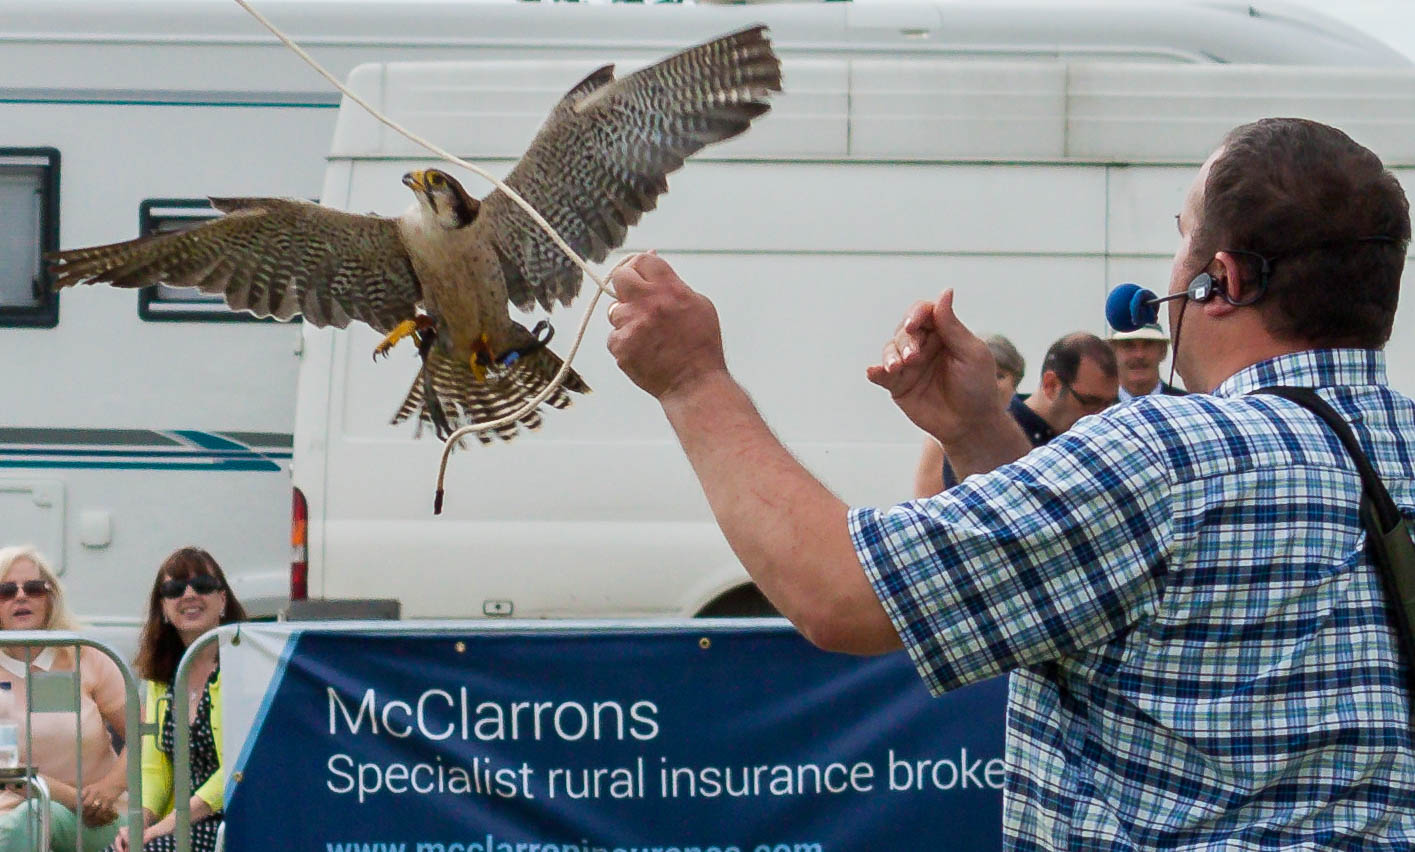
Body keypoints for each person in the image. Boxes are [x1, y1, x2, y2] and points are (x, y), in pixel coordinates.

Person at [606, 118, 1415, 847]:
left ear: (1222, 282)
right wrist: (977, 432)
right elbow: (1107, 582)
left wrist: (691, 380)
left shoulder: (1164, 456)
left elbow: (838, 590)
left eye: (1181, 240)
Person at [110, 548, 246, 852]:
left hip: (232, 819)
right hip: (176, 824)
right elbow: (155, 767)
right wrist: (139, 823)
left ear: (223, 600)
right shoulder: (162, 677)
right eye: (174, 589)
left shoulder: (243, 667)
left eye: (203, 585)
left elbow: (239, 766)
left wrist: (162, 828)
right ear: (163, 608)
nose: (189, 595)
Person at [0, 545, 128, 852]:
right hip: (16, 818)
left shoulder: (88, 656)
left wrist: (108, 790)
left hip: (98, 819)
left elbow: (144, 736)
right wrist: (77, 799)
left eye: (33, 588)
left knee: (34, 818)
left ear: (50, 597)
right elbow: (7, 771)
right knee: (31, 818)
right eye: (6, 590)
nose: (21, 597)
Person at [914, 332, 1117, 497]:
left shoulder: (1097, 438)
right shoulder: (986, 433)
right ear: (1051, 385)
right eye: (1090, 403)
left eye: (1111, 404)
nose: (1101, 416)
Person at [914, 334, 1024, 497]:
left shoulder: (1029, 430)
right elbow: (926, 503)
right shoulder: (941, 436)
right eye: (983, 375)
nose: (990, 383)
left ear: (1015, 382)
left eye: (1000, 376)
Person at [1109, 322, 1187, 400]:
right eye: (1128, 345)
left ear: (1163, 351)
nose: (1139, 355)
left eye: (1148, 344)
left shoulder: (1187, 405)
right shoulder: (1100, 408)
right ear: (1112, 352)